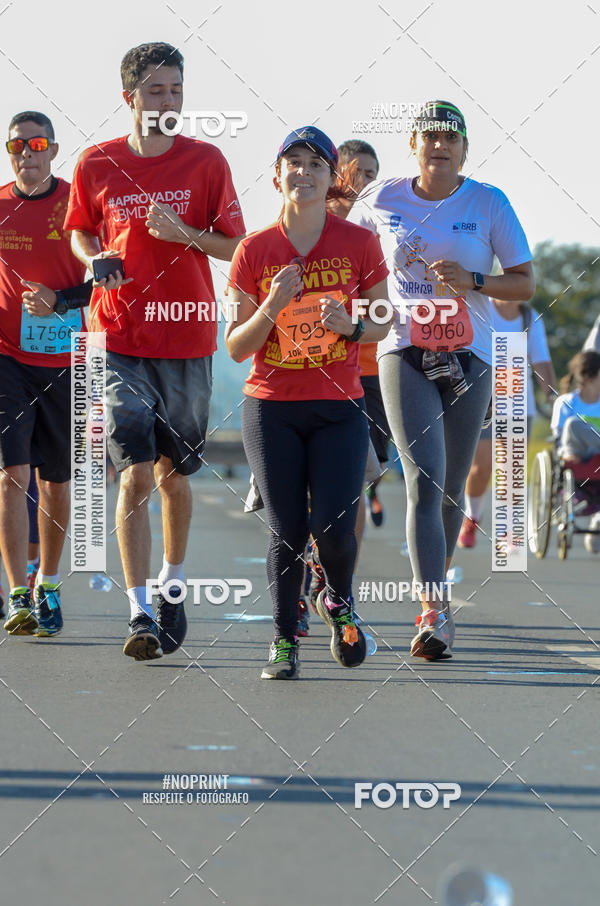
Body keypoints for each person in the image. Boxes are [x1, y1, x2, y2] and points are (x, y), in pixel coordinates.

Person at [64, 42, 245, 660]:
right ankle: (139, 610)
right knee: (134, 468)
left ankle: (172, 582)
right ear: (130, 97)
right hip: (115, 338)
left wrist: (185, 234)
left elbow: (235, 250)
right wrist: (97, 258)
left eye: (176, 90)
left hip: (189, 337)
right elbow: (82, 232)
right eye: (156, 91)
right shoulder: (98, 162)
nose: (168, 102)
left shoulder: (207, 162)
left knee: (173, 475)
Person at [349, 101, 534, 660]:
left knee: (451, 489)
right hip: (402, 350)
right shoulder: (381, 199)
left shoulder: (488, 201)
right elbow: (346, 257)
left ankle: (439, 588)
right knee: (424, 481)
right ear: (414, 144)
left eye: (451, 139)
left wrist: (475, 279)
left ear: (463, 150)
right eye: (430, 137)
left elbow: (523, 284)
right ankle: (433, 608)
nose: (440, 146)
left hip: (470, 358)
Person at [226, 126, 390, 679]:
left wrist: (352, 326)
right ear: (278, 176)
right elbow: (235, 345)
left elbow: (384, 322)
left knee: (336, 528)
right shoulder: (255, 249)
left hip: (340, 406)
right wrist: (271, 303)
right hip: (271, 406)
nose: (304, 172)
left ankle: (339, 603)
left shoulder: (358, 244)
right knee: (287, 529)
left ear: (331, 179)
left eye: (316, 164)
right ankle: (282, 641)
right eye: (293, 163)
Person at [0, 111, 88, 638]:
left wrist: (61, 300)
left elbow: (110, 278)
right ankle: (16, 596)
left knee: (56, 484)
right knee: (13, 476)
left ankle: (48, 587)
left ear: (53, 150)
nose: (25, 153)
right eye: (15, 146)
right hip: (6, 358)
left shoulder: (79, 204)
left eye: (35, 144)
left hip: (70, 358)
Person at [329, 140, 392, 538]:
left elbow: (388, 304)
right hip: (320, 368)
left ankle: (338, 589)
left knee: (357, 481)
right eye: (357, 171)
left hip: (372, 370)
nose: (365, 181)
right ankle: (307, 577)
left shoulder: (382, 230)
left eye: (372, 174)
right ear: (336, 173)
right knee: (318, 488)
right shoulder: (309, 222)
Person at [457, 298, 556, 548]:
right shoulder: (481, 308)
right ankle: (473, 516)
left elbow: (541, 359)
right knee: (482, 468)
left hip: (519, 404)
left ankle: (509, 531)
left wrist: (551, 394)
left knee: (511, 471)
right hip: (484, 400)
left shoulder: (530, 317)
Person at [551, 350, 600, 553]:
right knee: (572, 424)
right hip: (575, 455)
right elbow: (558, 437)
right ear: (589, 377)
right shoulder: (566, 402)